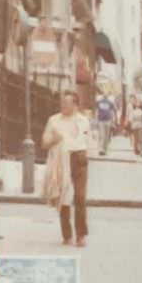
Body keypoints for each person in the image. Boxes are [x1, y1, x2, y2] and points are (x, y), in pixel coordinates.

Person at [43, 91, 92, 247]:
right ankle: (67, 235)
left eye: (67, 103)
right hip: (62, 160)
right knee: (64, 197)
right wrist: (53, 139)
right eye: (62, 103)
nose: (63, 105)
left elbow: (88, 140)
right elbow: (44, 143)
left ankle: (81, 235)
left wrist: (85, 154)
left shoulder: (84, 121)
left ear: (75, 105)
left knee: (80, 196)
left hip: (79, 158)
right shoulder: (54, 120)